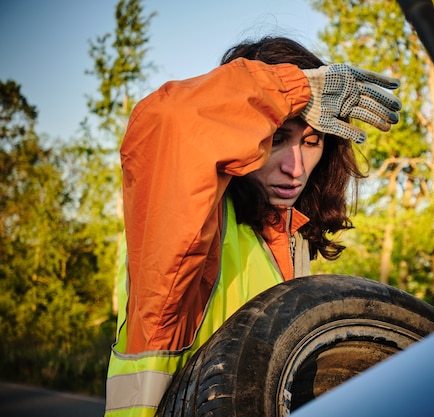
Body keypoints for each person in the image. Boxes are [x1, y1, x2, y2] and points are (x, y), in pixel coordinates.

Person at [104, 36, 401, 417]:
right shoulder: (191, 222)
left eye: (311, 142)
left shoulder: (288, 239)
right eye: (277, 140)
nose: (295, 168)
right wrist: (291, 89)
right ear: (239, 135)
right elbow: (167, 122)